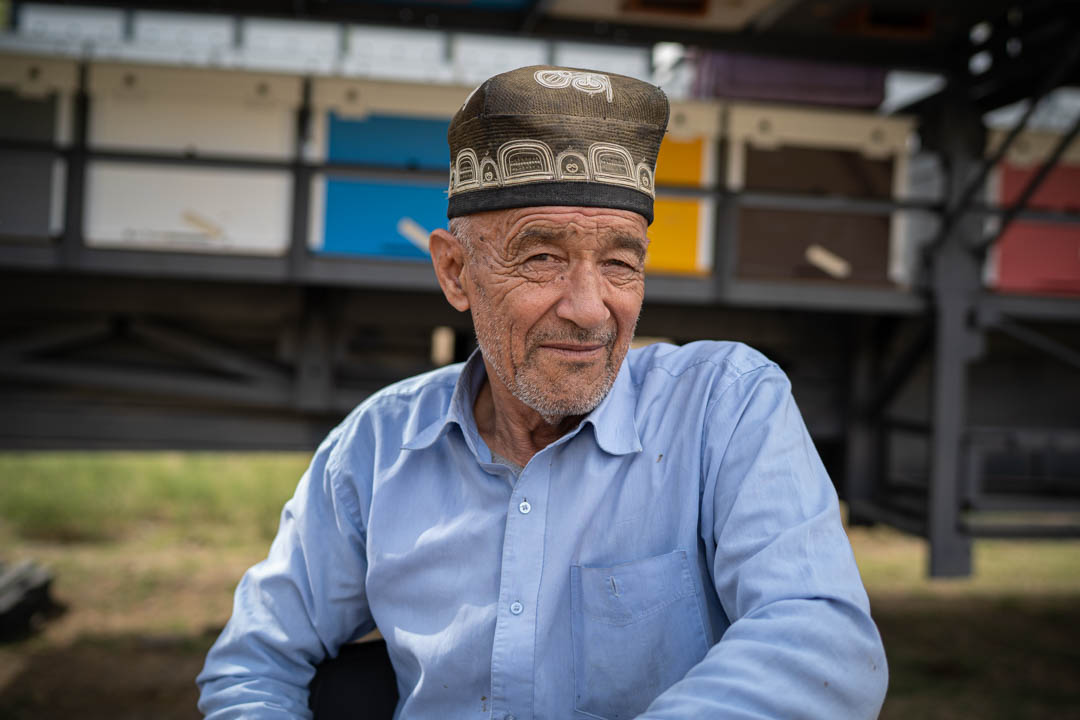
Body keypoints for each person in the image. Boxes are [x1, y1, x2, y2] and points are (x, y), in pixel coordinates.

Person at [197, 65, 888, 720]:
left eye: (619, 262)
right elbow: (255, 659)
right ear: (456, 271)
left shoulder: (724, 407)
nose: (589, 308)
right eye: (542, 258)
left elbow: (821, 639)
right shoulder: (378, 448)